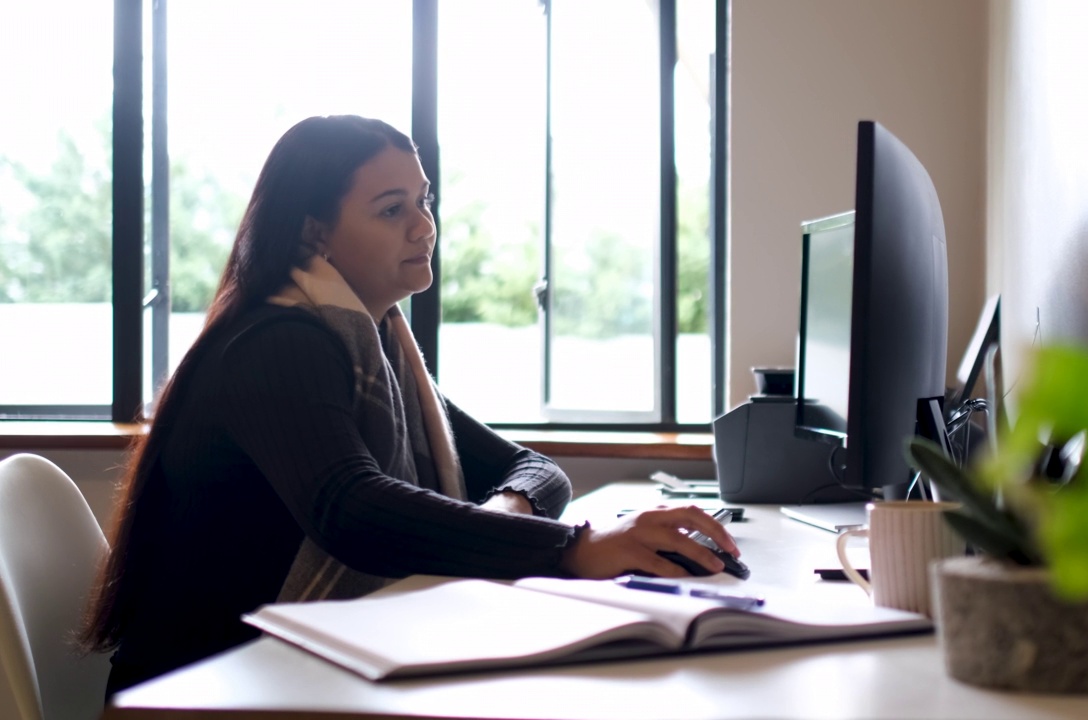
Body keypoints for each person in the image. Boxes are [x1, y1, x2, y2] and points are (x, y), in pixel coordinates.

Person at [80, 115, 739, 695]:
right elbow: (352, 511)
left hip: (285, 673)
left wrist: (504, 515)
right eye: (392, 209)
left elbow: (533, 469)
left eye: (424, 202)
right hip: (209, 691)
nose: (424, 225)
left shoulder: (374, 347)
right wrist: (571, 546)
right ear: (315, 234)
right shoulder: (279, 344)